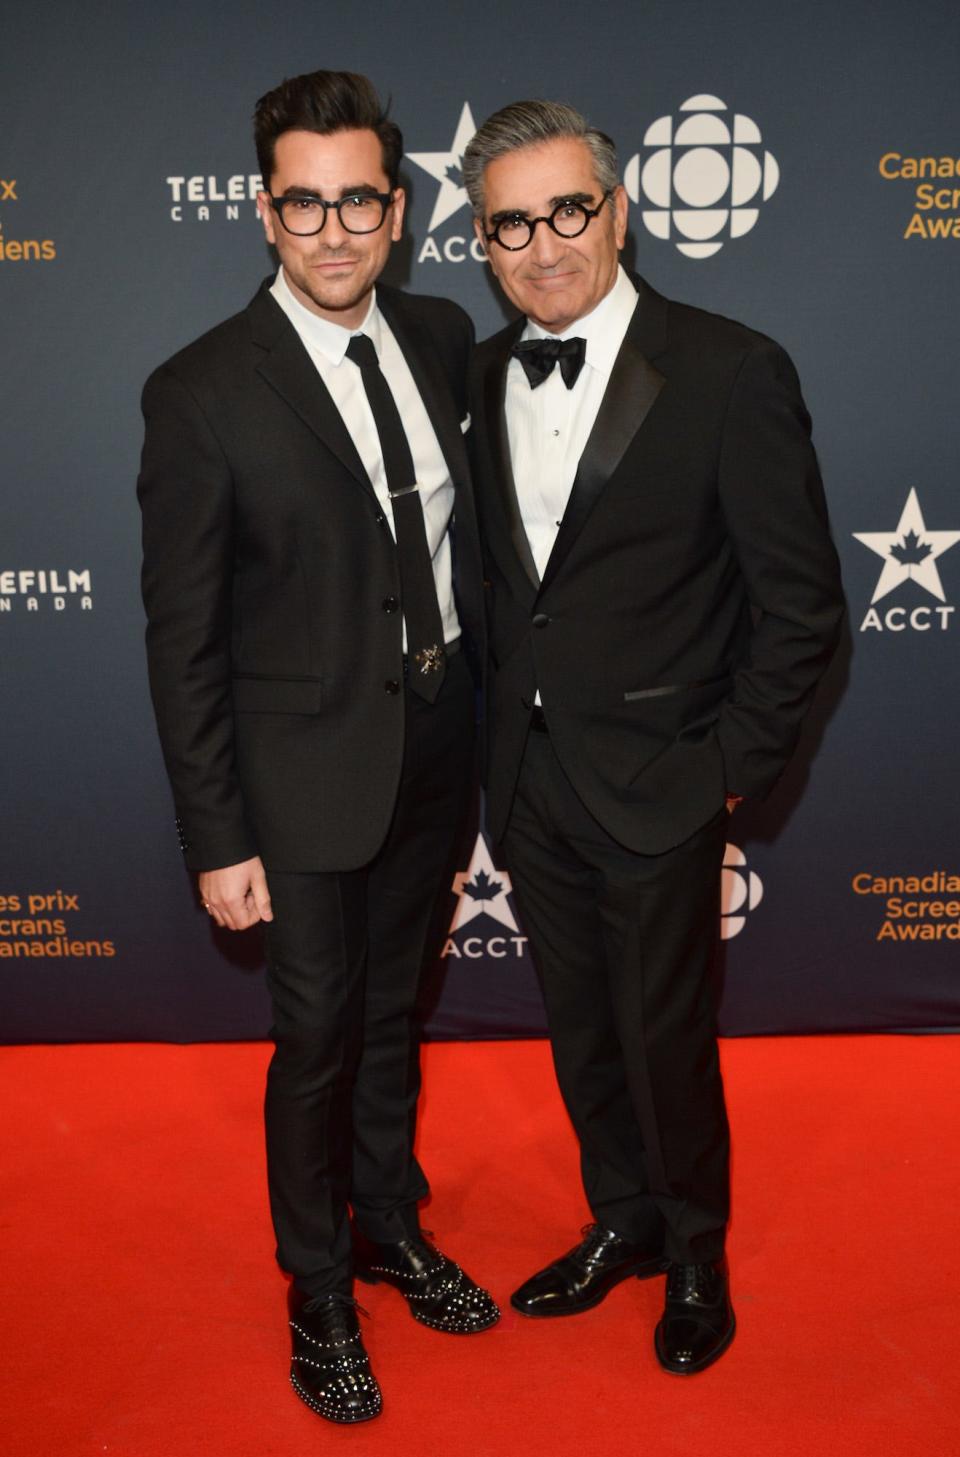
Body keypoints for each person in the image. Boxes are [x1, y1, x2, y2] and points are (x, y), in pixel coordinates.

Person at [137, 68, 497, 1426]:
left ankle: (385, 1225)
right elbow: (182, 638)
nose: (336, 229)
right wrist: (216, 832)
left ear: (399, 209)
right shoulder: (200, 390)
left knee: (396, 1019)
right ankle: (316, 1289)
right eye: (306, 202)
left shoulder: (447, 327)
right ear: (263, 210)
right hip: (297, 780)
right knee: (317, 1039)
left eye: (361, 200)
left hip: (438, 752)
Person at [462, 100, 843, 1374]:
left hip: (665, 783)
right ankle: (619, 1217)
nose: (543, 244)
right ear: (483, 240)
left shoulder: (732, 369)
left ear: (619, 212)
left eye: (568, 210)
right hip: (526, 781)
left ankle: (694, 1249)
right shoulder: (476, 374)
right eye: (510, 223)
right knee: (578, 1025)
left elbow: (801, 611)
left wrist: (728, 772)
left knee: (664, 1033)